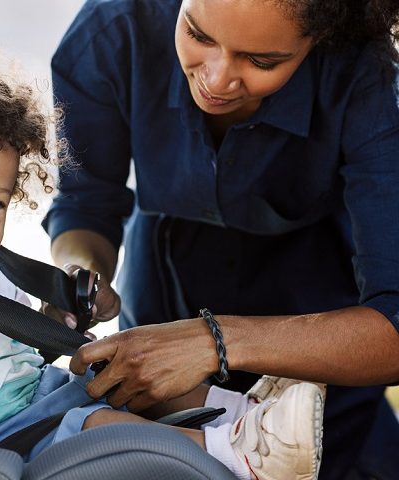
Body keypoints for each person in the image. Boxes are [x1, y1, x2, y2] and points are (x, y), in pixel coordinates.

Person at [0, 53, 325, 479]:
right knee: (98, 424)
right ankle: (242, 453)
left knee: (133, 371)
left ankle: (252, 414)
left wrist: (53, 322)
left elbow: (10, 353)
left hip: (38, 395)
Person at [43, 0, 399, 478]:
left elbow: (394, 322)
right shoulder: (113, 31)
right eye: (198, 35)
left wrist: (213, 340)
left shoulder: (367, 76)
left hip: (322, 316)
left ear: (322, 39)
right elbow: (85, 205)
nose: (215, 79)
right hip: (162, 286)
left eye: (261, 61)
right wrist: (78, 276)